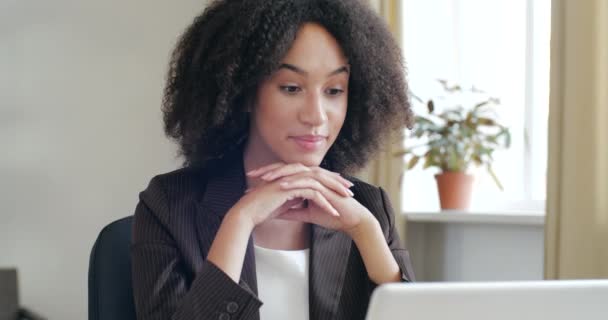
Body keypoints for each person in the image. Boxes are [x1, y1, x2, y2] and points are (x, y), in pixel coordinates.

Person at [131, 1, 415, 319]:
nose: (316, 115)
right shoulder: (169, 206)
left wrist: (366, 233)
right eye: (291, 88)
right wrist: (240, 222)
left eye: (334, 90)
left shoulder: (369, 209)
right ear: (243, 91)